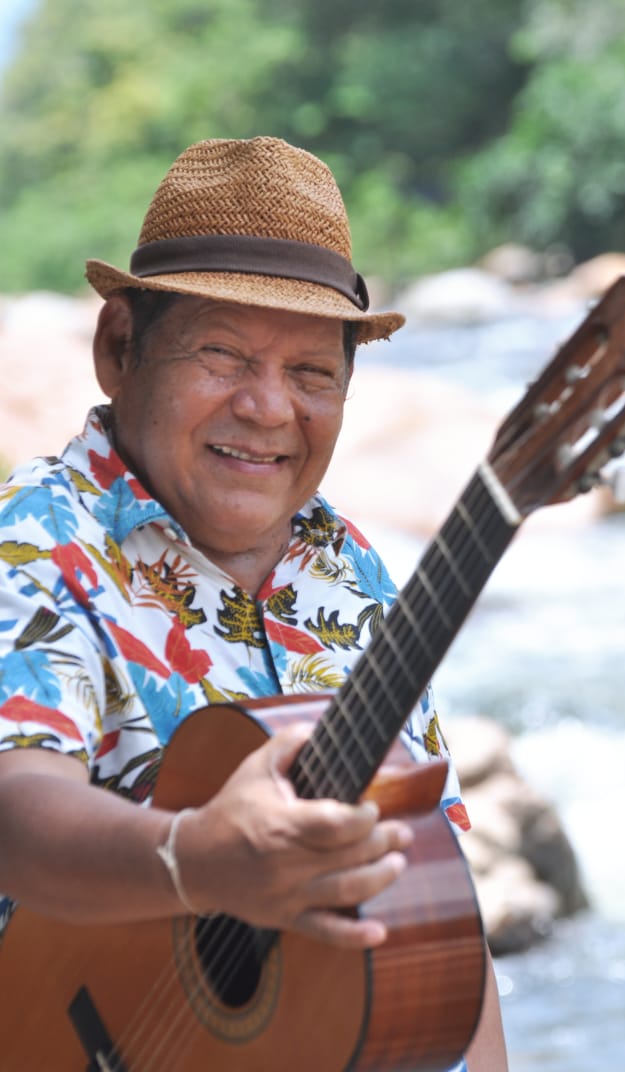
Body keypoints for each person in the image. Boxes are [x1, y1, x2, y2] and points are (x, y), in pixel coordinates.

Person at [0, 136, 507, 1070]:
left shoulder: (353, 571)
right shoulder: (33, 542)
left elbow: (438, 904)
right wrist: (196, 863)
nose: (269, 408)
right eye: (224, 354)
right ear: (121, 347)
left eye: (312, 372)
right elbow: (15, 812)